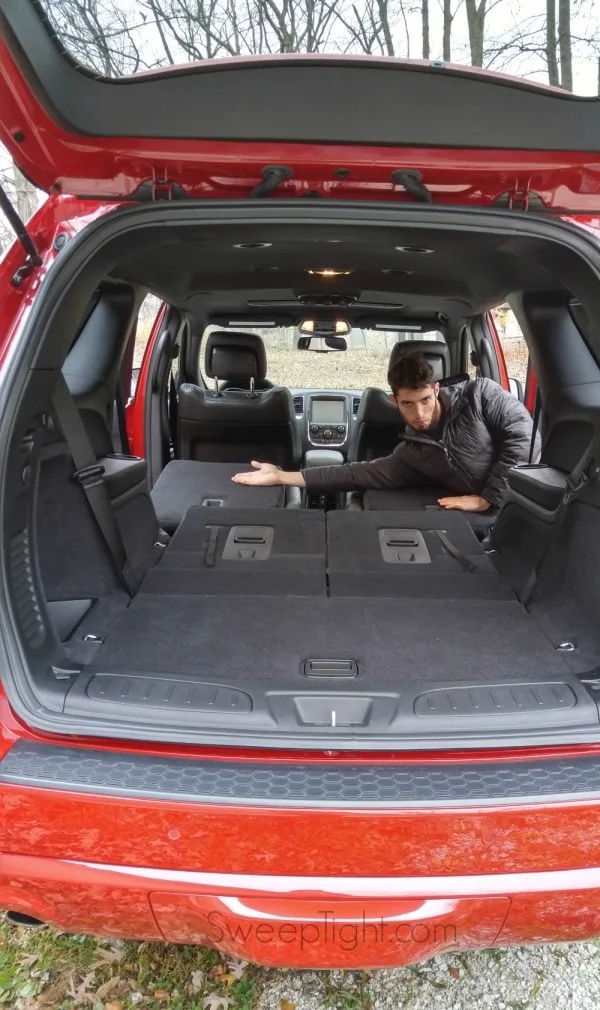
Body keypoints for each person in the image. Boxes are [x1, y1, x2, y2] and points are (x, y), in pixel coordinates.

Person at [231, 352, 537, 511]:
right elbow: (354, 474)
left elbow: (523, 433)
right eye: (407, 404)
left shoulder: (479, 394)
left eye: (425, 400)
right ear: (394, 400)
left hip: (521, 503)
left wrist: (488, 498)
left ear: (436, 388)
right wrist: (281, 476)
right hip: (477, 516)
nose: (419, 414)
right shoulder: (411, 453)